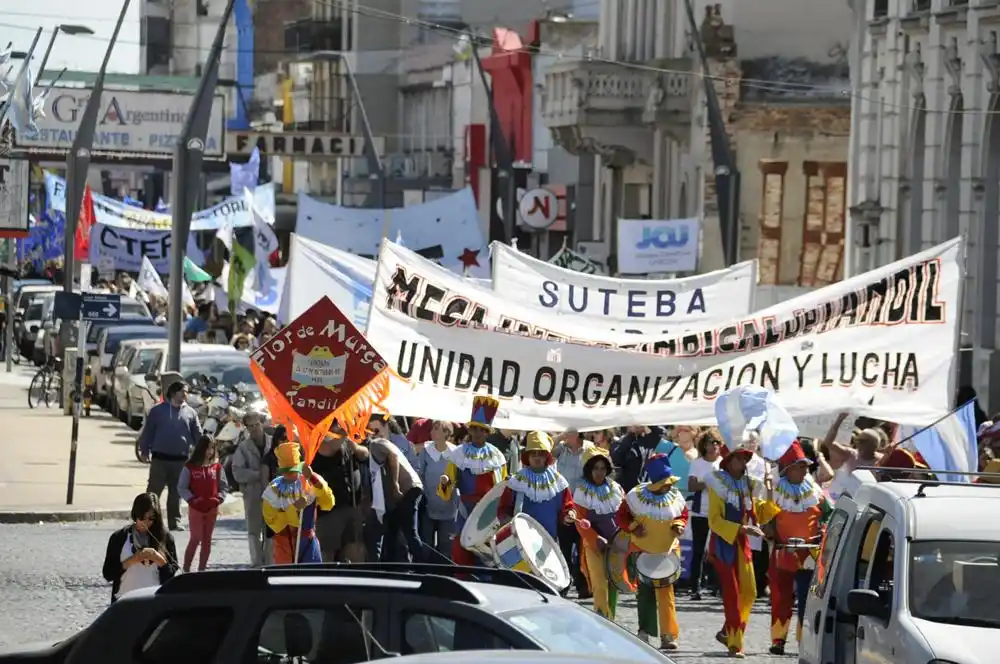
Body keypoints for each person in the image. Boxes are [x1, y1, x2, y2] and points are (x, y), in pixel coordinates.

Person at [758, 440, 833, 655]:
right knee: (781, 598)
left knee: (807, 599)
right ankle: (778, 640)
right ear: (788, 469)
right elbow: (765, 521)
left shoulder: (814, 488)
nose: (804, 469)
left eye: (805, 466)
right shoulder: (773, 490)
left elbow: (828, 514)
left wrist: (824, 531)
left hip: (810, 553)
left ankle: (804, 641)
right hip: (783, 551)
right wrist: (768, 526)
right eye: (800, 466)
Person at [616, 453, 689, 651]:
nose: (668, 487)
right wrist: (632, 526)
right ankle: (645, 632)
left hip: (667, 551)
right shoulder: (635, 497)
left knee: (667, 594)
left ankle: (668, 635)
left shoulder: (675, 496)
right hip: (643, 551)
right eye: (664, 483)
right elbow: (621, 517)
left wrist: (679, 524)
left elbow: (682, 513)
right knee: (645, 593)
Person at [705, 437, 765, 658]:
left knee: (749, 592)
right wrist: (743, 530)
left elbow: (757, 514)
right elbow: (714, 521)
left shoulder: (749, 485)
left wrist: (769, 498)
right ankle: (735, 643)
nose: (744, 461)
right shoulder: (717, 484)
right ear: (729, 461)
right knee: (732, 593)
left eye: (745, 457)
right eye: (739, 457)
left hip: (742, 544)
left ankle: (726, 632)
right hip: (723, 543)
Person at [438, 395, 509, 566]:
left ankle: (486, 582)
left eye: (481, 430)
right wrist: (445, 482)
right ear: (469, 430)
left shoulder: (497, 456)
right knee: (462, 546)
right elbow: (447, 484)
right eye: (474, 429)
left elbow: (503, 487)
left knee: (486, 549)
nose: (477, 433)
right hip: (465, 509)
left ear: (487, 432)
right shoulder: (459, 453)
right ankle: (463, 581)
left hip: (489, 511)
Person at [138, 379, 203, 531]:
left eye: (186, 392)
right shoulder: (157, 411)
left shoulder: (191, 413)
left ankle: (175, 521)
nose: (185, 395)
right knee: (153, 492)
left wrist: (204, 451)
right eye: (183, 391)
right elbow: (148, 431)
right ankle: (147, 520)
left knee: (176, 493)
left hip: (180, 460)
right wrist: (144, 449)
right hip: (160, 459)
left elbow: (197, 435)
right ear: (174, 392)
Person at [262, 437, 336, 564]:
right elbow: (271, 521)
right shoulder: (273, 489)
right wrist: (293, 509)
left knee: (310, 578)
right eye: (286, 471)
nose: (290, 475)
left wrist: (313, 478)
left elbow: (328, 503)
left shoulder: (310, 480)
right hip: (285, 546)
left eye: (293, 471)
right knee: (287, 581)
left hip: (308, 543)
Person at [574, 446, 625, 620]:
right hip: (593, 545)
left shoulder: (616, 488)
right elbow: (580, 522)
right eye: (595, 468)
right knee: (599, 584)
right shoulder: (581, 491)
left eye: (603, 468)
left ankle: (611, 621)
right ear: (589, 469)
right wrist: (596, 539)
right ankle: (602, 618)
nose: (599, 472)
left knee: (613, 584)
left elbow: (624, 514)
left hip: (615, 543)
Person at [498, 431, 576, 539]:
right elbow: (503, 509)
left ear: (546, 456)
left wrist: (569, 514)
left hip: (549, 539)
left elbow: (567, 506)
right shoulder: (515, 481)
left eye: (541, 453)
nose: (537, 457)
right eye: (533, 453)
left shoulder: (558, 481)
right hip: (521, 539)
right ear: (528, 456)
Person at [102, 493, 178, 603]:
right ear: (135, 514)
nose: (146, 522)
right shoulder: (119, 537)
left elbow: (170, 577)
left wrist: (159, 560)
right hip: (124, 601)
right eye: (142, 517)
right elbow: (108, 574)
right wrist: (132, 560)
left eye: (151, 518)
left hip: (154, 602)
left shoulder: (166, 539)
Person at [367, 425, 427, 562]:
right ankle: (389, 565)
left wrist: (395, 484)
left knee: (410, 533)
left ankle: (426, 564)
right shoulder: (385, 443)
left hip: (408, 489)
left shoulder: (376, 444)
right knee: (392, 529)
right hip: (412, 488)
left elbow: (392, 457)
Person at [312, 425, 369, 562]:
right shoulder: (319, 438)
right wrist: (345, 431)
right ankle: (328, 581)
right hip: (329, 510)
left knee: (355, 548)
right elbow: (329, 449)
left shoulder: (345, 440)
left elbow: (365, 454)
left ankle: (356, 580)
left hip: (351, 504)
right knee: (328, 553)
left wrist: (354, 446)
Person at [177, 434, 228, 572]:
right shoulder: (190, 467)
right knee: (196, 537)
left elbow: (224, 486)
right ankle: (186, 569)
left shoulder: (217, 467)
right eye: (207, 448)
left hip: (212, 508)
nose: (210, 452)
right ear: (201, 448)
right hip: (196, 508)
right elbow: (181, 487)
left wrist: (219, 499)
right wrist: (192, 499)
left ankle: (202, 570)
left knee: (207, 540)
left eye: (212, 448)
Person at [230, 412, 273, 566]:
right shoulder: (243, 447)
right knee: (254, 531)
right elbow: (237, 472)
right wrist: (258, 474)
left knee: (271, 530)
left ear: (262, 424)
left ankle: (270, 563)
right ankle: (256, 564)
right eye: (251, 426)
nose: (255, 428)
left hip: (272, 494)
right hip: (253, 494)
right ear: (246, 428)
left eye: (257, 424)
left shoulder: (272, 443)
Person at [553, 427, 592, 597]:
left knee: (583, 548)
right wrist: (560, 436)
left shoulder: (590, 448)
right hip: (565, 504)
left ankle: (584, 586)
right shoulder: (561, 448)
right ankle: (564, 585)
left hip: (584, 504)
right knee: (565, 548)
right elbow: (545, 447)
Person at [687, 429, 723, 600]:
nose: (714, 446)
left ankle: (718, 586)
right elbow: (692, 486)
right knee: (698, 551)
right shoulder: (697, 463)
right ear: (704, 445)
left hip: (719, 513)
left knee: (718, 550)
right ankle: (695, 587)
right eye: (710, 442)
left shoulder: (724, 463)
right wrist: (709, 483)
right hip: (700, 511)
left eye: (716, 442)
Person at [418, 420, 458, 559]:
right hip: (429, 505)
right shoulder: (426, 451)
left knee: (446, 546)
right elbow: (420, 475)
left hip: (449, 507)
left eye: (436, 429)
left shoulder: (455, 453)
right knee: (426, 545)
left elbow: (458, 478)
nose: (432, 432)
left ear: (446, 432)